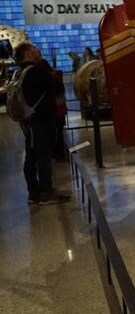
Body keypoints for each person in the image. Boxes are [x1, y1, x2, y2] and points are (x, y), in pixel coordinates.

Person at [12, 42, 68, 205]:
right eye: (36, 50)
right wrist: (44, 63)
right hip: (42, 120)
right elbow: (58, 86)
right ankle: (45, 192)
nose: (39, 52)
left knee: (31, 155)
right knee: (43, 156)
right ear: (28, 53)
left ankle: (34, 193)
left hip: (29, 121)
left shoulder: (19, 72)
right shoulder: (36, 72)